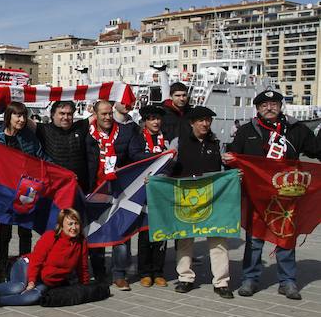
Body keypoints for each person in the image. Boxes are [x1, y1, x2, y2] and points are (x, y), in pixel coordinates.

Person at [224, 90, 318, 300]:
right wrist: (229, 161)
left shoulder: (296, 129)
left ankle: (288, 281)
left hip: (286, 194)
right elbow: (233, 156)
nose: (269, 108)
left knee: (286, 239)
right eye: (264, 105)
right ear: (257, 109)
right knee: (254, 239)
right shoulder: (246, 130)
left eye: (274, 104)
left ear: (280, 106)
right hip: (256, 195)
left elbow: (315, 150)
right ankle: (250, 279)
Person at [0, 208, 89, 308]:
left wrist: (86, 287)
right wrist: (31, 281)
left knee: (34, 296)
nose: (74, 227)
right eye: (70, 224)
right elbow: (36, 261)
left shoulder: (81, 242)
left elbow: (82, 267)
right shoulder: (51, 237)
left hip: (46, 281)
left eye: (76, 223)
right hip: (27, 265)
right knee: (19, 286)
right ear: (61, 225)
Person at [171, 106, 233, 299]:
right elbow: (165, 165)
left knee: (218, 241)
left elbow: (226, 167)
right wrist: (155, 180)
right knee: (185, 239)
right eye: (201, 120)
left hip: (212, 198)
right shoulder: (178, 142)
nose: (205, 124)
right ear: (192, 123)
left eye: (208, 120)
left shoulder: (217, 142)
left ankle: (221, 282)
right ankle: (185, 277)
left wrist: (233, 171)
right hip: (186, 198)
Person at [0, 102, 45, 280]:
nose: (21, 119)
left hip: (25, 189)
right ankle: (2, 266)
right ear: (8, 116)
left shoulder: (28, 136)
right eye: (17, 116)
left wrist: (60, 171)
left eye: (23, 116)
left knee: (24, 229)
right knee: (3, 229)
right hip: (3, 189)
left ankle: (24, 265)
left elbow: (40, 158)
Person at [86, 100, 139, 289]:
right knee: (97, 232)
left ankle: (119, 274)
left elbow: (135, 155)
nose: (107, 117)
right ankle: (99, 273)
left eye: (110, 113)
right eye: (103, 114)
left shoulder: (125, 132)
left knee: (121, 233)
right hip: (95, 190)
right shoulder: (87, 134)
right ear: (95, 114)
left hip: (118, 190)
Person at [129, 104, 170, 287]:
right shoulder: (138, 138)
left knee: (161, 233)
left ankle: (158, 271)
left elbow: (174, 162)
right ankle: (145, 272)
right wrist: (156, 157)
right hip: (144, 192)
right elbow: (133, 155)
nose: (156, 122)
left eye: (158, 119)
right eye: (152, 118)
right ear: (145, 121)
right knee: (145, 234)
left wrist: (169, 158)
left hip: (163, 191)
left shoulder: (166, 139)